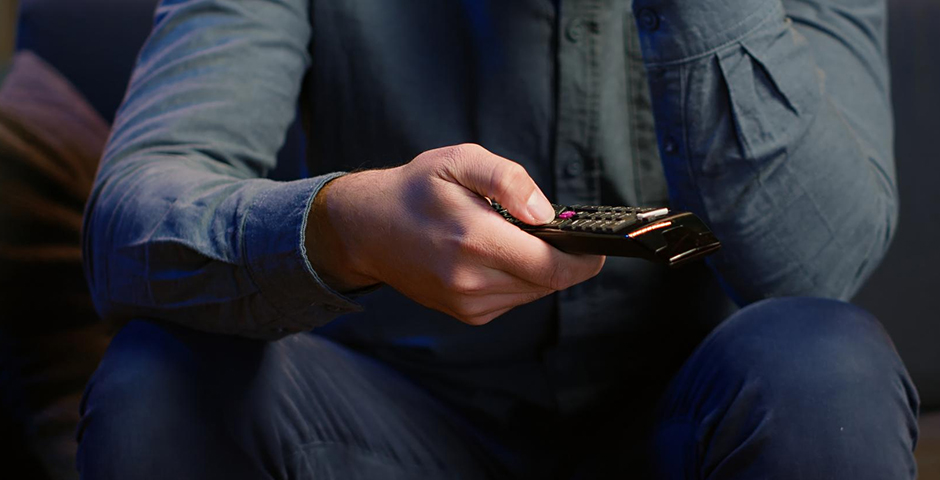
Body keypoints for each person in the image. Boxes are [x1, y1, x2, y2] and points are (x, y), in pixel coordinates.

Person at [77, 0, 919, 478]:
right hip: (388, 425)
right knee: (159, 378)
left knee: (825, 360)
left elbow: (824, 265)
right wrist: (348, 226)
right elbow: (127, 225)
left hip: (693, 425)